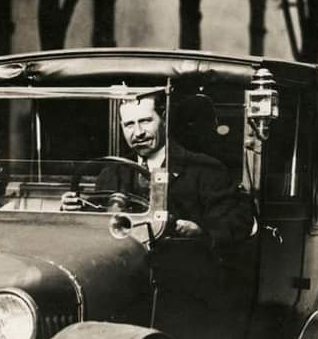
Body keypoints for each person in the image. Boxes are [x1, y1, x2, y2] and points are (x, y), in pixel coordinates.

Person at [66, 94, 253, 247]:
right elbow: (97, 225)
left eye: (146, 121)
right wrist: (75, 209)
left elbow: (238, 223)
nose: (138, 132)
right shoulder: (112, 171)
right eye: (129, 124)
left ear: (164, 119)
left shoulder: (206, 169)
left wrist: (201, 230)